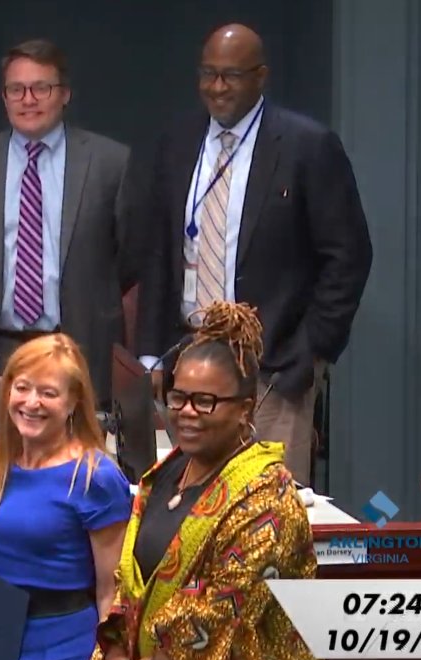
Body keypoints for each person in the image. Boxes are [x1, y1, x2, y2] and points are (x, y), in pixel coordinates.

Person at [135, 23, 372, 484]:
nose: (217, 88)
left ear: (260, 76)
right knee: (189, 506)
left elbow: (348, 256)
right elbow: (159, 254)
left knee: (267, 512)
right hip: (187, 361)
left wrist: (311, 352)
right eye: (208, 74)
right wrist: (151, 355)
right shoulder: (177, 143)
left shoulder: (307, 146)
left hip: (273, 368)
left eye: (231, 76)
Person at [92, 302, 326, 660]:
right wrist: (116, 651)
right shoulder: (165, 473)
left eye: (205, 401)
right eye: (178, 397)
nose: (186, 412)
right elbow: (130, 580)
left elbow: (224, 607)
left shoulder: (268, 498)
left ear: (244, 410)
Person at [0, 38, 139, 406]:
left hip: (75, 347)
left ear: (65, 94)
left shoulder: (110, 163)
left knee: (74, 460)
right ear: (4, 96)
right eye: (17, 89)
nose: (28, 100)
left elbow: (128, 260)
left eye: (41, 88)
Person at [0, 334, 131, 660]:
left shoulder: (96, 478)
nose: (31, 402)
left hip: (63, 655)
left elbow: (112, 590)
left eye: (48, 393)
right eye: (22, 388)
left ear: (73, 400)